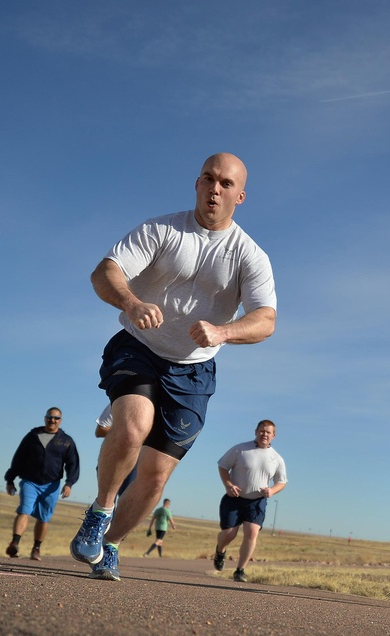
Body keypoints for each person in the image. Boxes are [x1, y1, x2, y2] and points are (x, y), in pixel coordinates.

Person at [69, 152, 277, 581]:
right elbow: (104, 272)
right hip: (139, 345)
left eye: (225, 183)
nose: (214, 189)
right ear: (197, 184)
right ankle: (100, 511)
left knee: (156, 475)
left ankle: (110, 544)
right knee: (131, 427)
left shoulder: (249, 255)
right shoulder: (162, 229)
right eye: (207, 179)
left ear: (240, 195)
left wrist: (224, 332)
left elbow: (266, 319)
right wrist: (132, 301)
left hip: (194, 371)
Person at [212, 420, 287, 583]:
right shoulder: (240, 449)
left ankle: (240, 570)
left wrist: (271, 490)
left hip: (257, 501)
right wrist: (228, 485)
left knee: (252, 532)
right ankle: (220, 551)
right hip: (234, 498)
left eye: (268, 432)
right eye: (262, 431)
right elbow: (223, 466)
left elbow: (282, 482)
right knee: (228, 534)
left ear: (273, 436)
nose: (264, 434)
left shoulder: (276, 458)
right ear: (256, 431)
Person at [4, 407, 80, 560]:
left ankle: (36, 548)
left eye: (56, 418)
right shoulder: (33, 436)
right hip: (29, 481)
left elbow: (72, 464)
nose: (52, 420)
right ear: (45, 418)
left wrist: (69, 483)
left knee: (43, 518)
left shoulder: (66, 441)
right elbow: (19, 458)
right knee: (24, 510)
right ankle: (15, 543)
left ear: (60, 420)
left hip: (51, 485)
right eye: (49, 417)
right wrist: (10, 479)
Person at [95, 404, 136, 501]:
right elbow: (100, 430)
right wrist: (129, 434)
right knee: (106, 502)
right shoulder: (121, 400)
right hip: (113, 459)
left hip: (138, 463)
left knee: (128, 504)